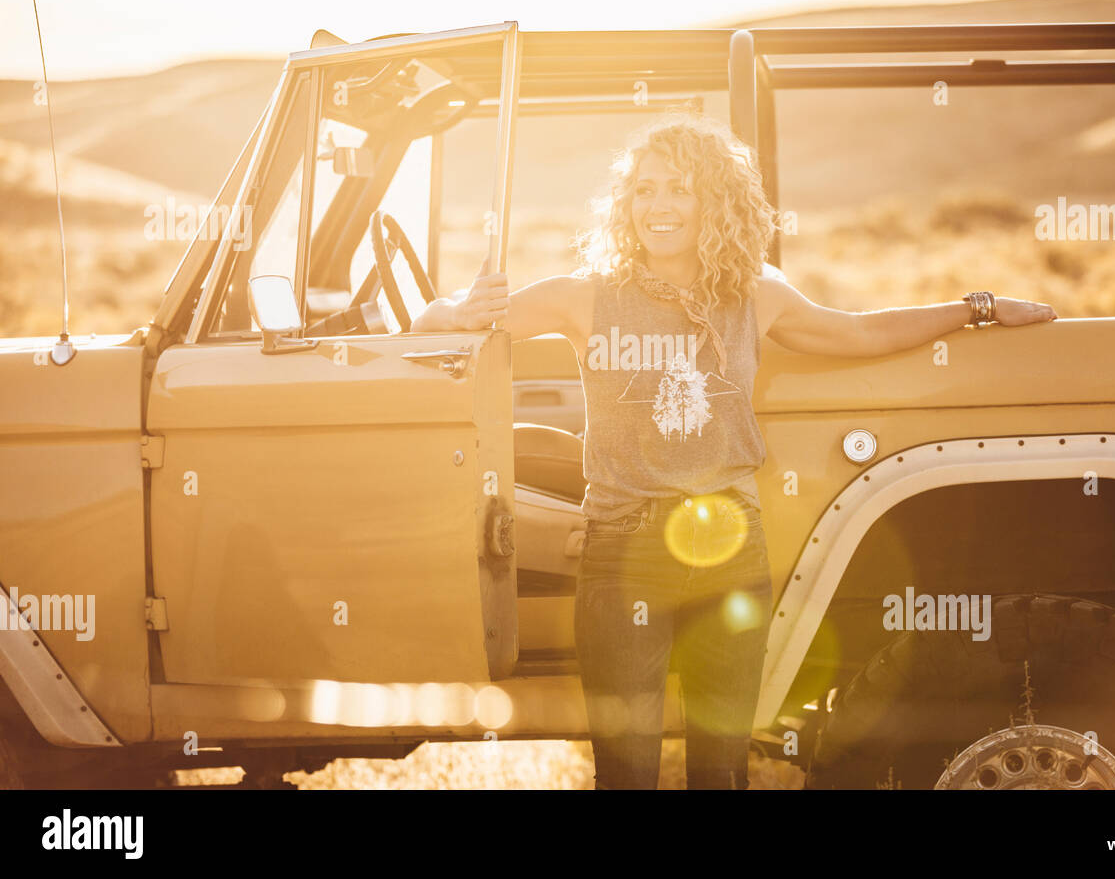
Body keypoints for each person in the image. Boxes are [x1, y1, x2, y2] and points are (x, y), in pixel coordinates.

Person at [411, 111, 1057, 789]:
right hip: (623, 555)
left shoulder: (755, 293)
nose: (658, 206)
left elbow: (859, 333)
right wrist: (454, 310)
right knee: (626, 772)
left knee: (721, 774)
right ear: (625, 203)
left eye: (679, 189)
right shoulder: (585, 296)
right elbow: (433, 327)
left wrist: (976, 308)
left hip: (731, 550)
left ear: (714, 201)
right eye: (644, 190)